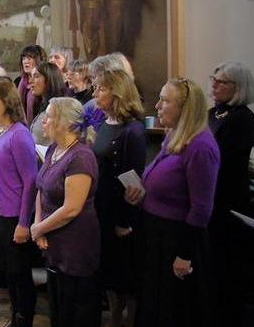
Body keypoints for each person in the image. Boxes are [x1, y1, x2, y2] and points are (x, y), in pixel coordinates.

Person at [124, 77, 219, 327]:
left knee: (173, 310)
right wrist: (141, 193)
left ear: (185, 108)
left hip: (178, 240)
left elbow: (202, 208)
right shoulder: (173, 136)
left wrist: (184, 255)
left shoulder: (201, 146)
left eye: (165, 100)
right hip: (156, 236)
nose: (157, 106)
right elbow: (166, 186)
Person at [32, 97, 101, 327]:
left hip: (75, 244)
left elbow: (72, 208)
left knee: (76, 309)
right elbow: (41, 187)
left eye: (49, 116)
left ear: (65, 122)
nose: (44, 121)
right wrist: (38, 226)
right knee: (58, 306)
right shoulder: (55, 148)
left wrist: (40, 228)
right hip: (54, 239)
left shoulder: (80, 156)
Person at [0, 78, 40, 327]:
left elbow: (31, 182)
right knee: (6, 271)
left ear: (8, 101)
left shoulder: (19, 135)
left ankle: (23, 319)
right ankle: (15, 315)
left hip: (13, 215)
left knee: (18, 273)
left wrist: (24, 223)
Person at [90, 69, 145, 327]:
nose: (95, 93)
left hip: (119, 212)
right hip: (101, 209)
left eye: (101, 89)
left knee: (125, 279)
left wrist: (125, 221)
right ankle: (113, 320)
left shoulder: (132, 129)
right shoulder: (103, 123)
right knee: (109, 276)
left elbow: (133, 182)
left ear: (117, 93)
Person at [206, 61, 254, 326]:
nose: (214, 85)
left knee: (226, 266)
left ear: (239, 87)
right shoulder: (212, 114)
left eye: (222, 81)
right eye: (213, 79)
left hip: (227, 199)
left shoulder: (243, 118)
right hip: (209, 198)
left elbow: (223, 160)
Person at [28, 62, 68, 146]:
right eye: (31, 76)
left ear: (49, 79)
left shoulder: (60, 109)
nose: (30, 81)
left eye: (36, 76)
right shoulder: (41, 105)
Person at [16, 45, 47, 122]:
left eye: (29, 58)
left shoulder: (44, 82)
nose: (25, 62)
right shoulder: (18, 81)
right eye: (23, 59)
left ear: (39, 60)